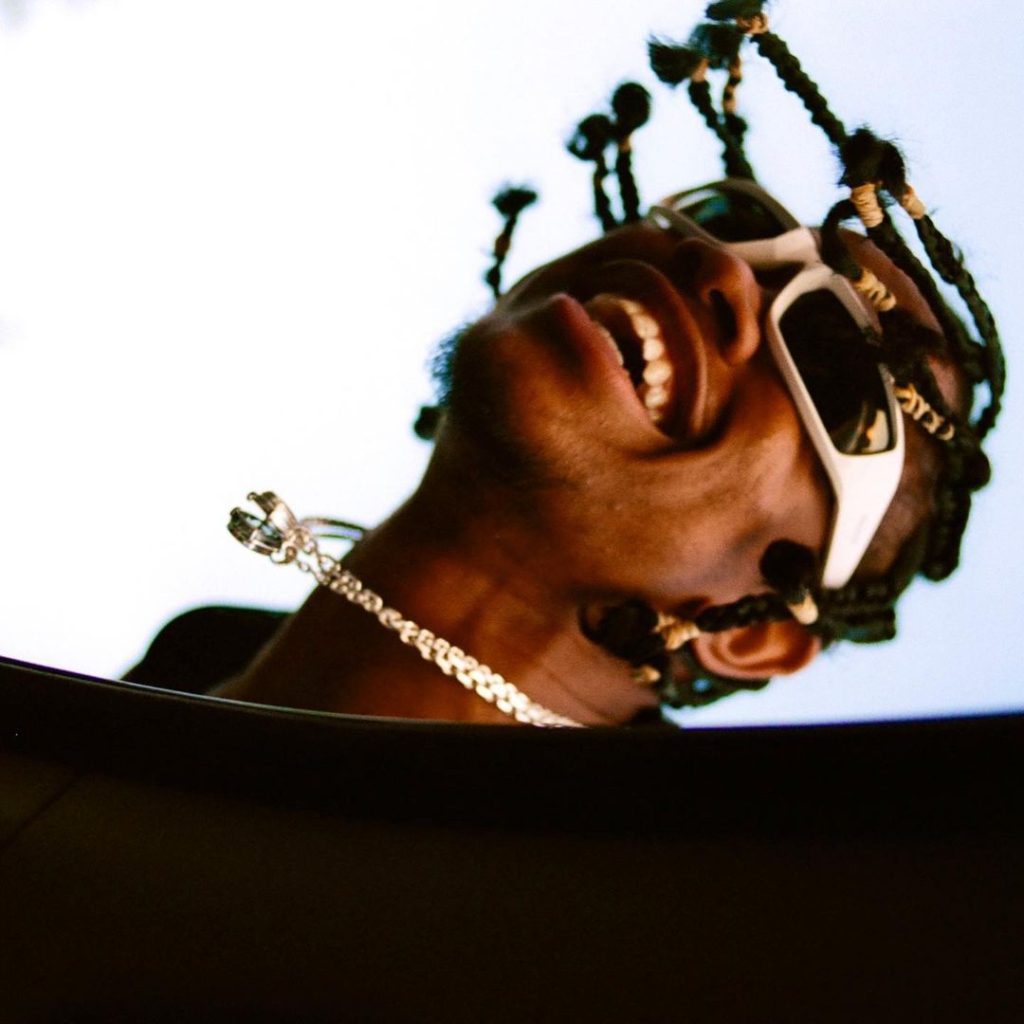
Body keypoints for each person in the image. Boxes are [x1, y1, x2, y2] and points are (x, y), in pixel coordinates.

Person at [128, 1, 1003, 728]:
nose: (723, 271)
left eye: (832, 358)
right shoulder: (179, 663)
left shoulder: (643, 888)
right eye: (735, 223)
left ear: (753, 636)